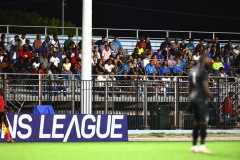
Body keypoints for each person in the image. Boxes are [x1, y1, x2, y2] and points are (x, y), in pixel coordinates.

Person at [189, 55, 213, 154]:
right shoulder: (203, 71)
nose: (209, 61)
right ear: (204, 61)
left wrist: (190, 98)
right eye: (208, 60)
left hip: (193, 98)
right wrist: (211, 96)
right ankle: (202, 146)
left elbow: (189, 86)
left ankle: (194, 146)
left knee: (196, 122)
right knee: (203, 122)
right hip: (201, 99)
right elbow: (205, 87)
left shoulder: (193, 70)